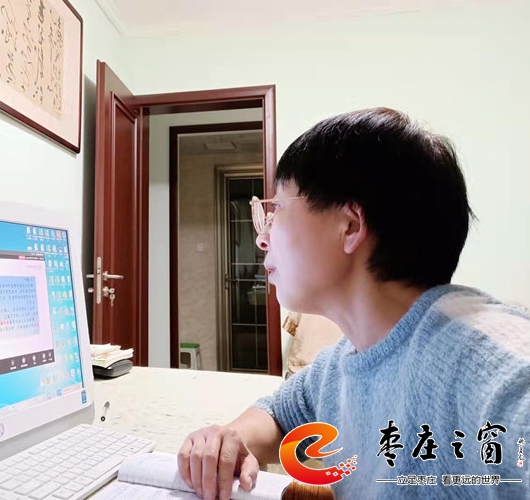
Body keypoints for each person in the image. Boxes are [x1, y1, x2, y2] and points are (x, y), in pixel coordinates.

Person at [177, 108, 530, 500]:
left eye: (276, 211)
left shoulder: (485, 366)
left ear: (350, 226)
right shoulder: (345, 360)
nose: (262, 238)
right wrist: (230, 440)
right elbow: (279, 412)